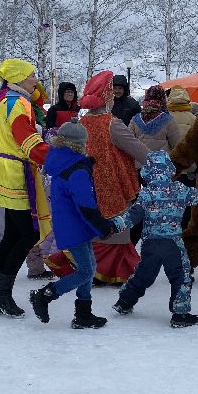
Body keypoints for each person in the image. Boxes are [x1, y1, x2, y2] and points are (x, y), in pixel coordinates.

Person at [46, 70, 148, 285]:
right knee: (116, 226)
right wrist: (159, 162)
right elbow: (139, 150)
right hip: (112, 184)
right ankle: (103, 272)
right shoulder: (112, 123)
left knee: (92, 224)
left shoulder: (81, 122)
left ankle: (81, 264)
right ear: (108, 98)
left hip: (85, 182)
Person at [0, 59, 50, 316]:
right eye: (31, 75)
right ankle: (1, 295)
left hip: (5, 174)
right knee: (25, 235)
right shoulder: (18, 104)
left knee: (14, 235)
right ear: (18, 78)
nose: (35, 79)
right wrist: (58, 160)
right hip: (16, 176)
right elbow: (27, 139)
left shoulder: (5, 100)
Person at [108, 151, 198, 328]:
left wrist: (115, 224)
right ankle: (180, 314)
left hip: (150, 243)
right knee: (181, 276)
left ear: (147, 172)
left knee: (144, 275)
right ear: (169, 169)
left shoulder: (147, 193)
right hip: (173, 243)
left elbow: (133, 216)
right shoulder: (179, 189)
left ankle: (124, 301)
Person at [28, 121, 119, 328]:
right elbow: (85, 205)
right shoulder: (77, 168)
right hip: (75, 226)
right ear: (80, 144)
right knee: (86, 271)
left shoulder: (61, 161)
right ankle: (46, 294)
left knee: (89, 266)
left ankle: (83, 313)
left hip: (71, 224)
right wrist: (102, 227)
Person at [129, 85, 182, 154]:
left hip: (140, 162)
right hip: (161, 163)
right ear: (163, 98)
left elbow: (128, 143)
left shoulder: (135, 119)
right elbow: (177, 145)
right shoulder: (168, 119)